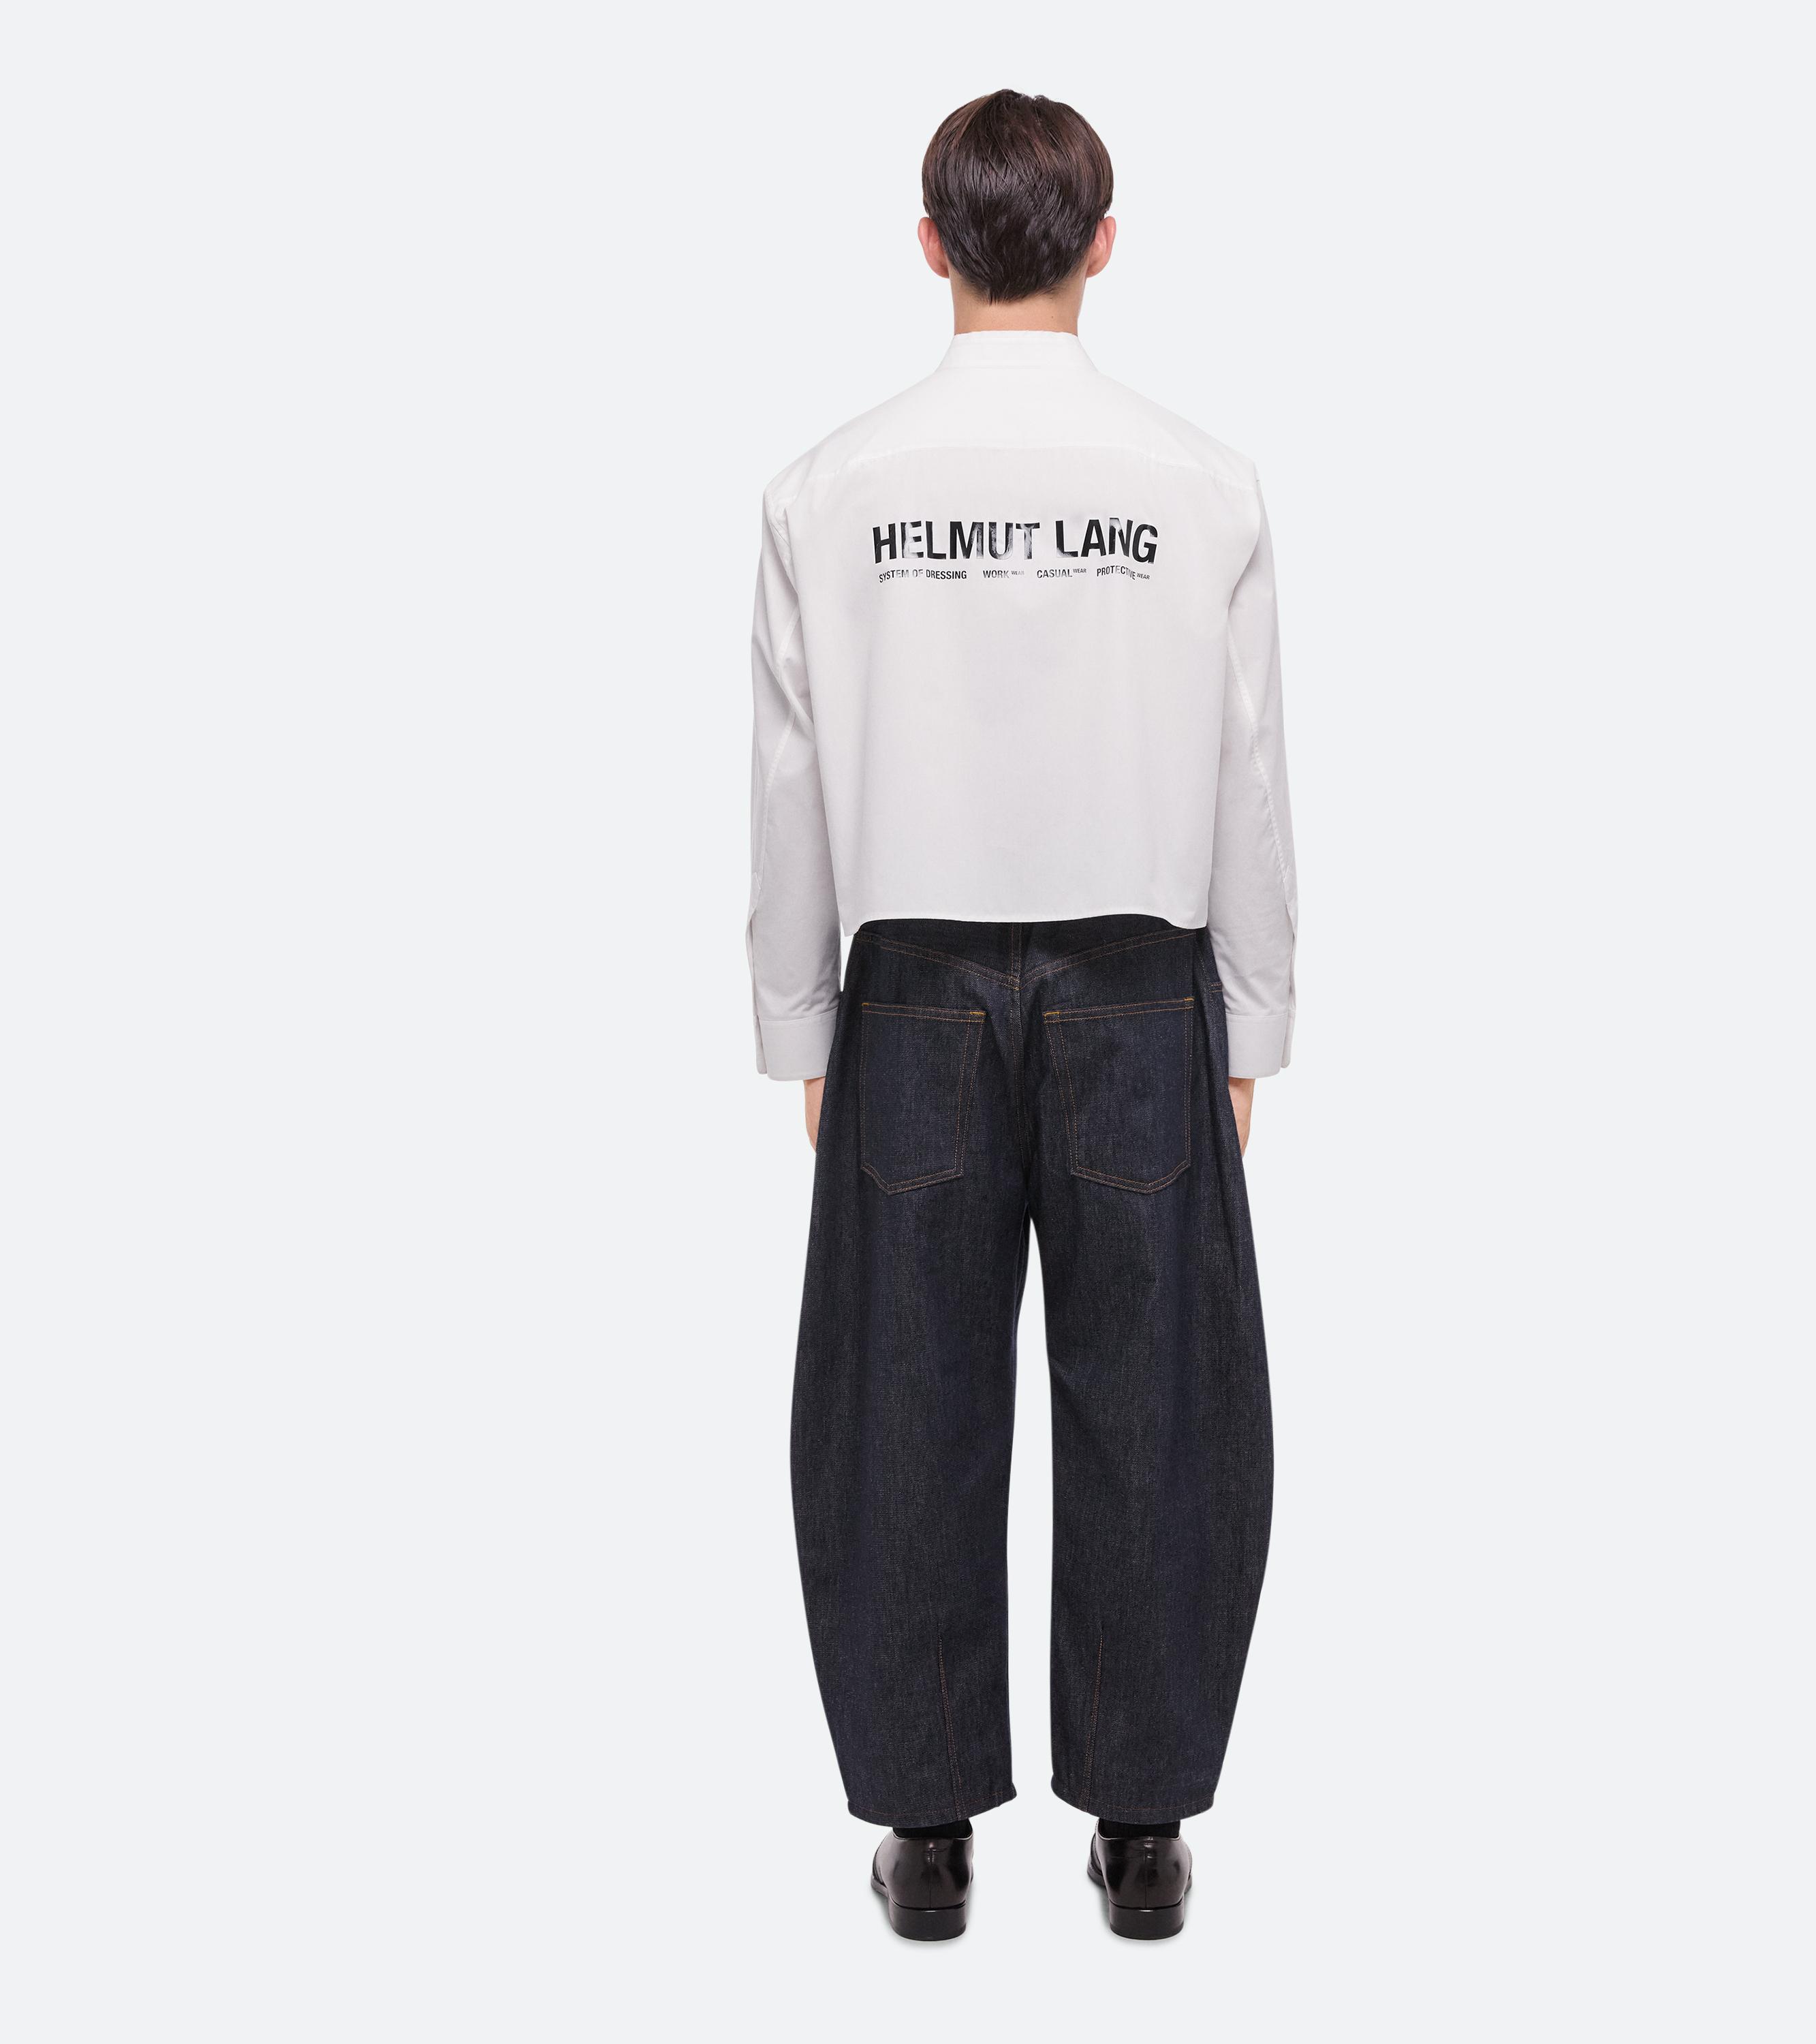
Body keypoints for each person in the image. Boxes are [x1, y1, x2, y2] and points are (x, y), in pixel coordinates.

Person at [747, 89, 1297, 1942]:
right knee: (1163, 1404)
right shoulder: (1202, 484)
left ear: (929, 246)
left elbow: (788, 782)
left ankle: (924, 1833)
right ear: (1103, 245)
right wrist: (1252, 1018)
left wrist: (802, 1024)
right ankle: (1142, 1831)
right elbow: (1249, 775)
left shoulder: (829, 488)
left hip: (909, 997)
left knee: (900, 1400)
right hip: (1141, 987)